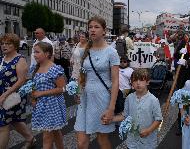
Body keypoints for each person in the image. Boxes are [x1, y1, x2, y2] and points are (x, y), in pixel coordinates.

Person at [74, 16, 120, 149]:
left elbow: (116, 81)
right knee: (81, 143)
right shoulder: (84, 51)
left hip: (102, 98)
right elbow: (81, 76)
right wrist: (78, 91)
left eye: (96, 27)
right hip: (85, 98)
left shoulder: (111, 52)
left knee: (102, 139)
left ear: (104, 31)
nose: (92, 30)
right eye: (90, 27)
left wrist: (111, 108)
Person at [112, 69, 163, 149]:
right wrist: (111, 119)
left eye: (142, 80)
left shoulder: (153, 100)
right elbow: (125, 115)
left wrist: (148, 130)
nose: (138, 83)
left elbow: (158, 119)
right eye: (135, 80)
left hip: (147, 142)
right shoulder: (129, 98)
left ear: (147, 82)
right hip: (132, 141)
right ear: (131, 83)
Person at [0, 34, 35, 149]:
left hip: (12, 96)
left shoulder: (20, 60)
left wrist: (5, 95)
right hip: (2, 95)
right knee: (14, 120)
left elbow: (21, 81)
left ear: (15, 46)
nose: (4, 46)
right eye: (2, 43)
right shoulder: (2, 59)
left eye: (8, 44)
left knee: (3, 125)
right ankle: (30, 139)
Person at [30, 41, 67, 149]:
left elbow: (62, 88)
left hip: (52, 105)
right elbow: (34, 85)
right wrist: (33, 98)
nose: (34, 55)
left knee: (47, 136)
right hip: (41, 105)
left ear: (47, 54)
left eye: (37, 52)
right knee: (55, 132)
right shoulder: (36, 68)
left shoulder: (54, 69)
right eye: (34, 52)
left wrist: (41, 93)